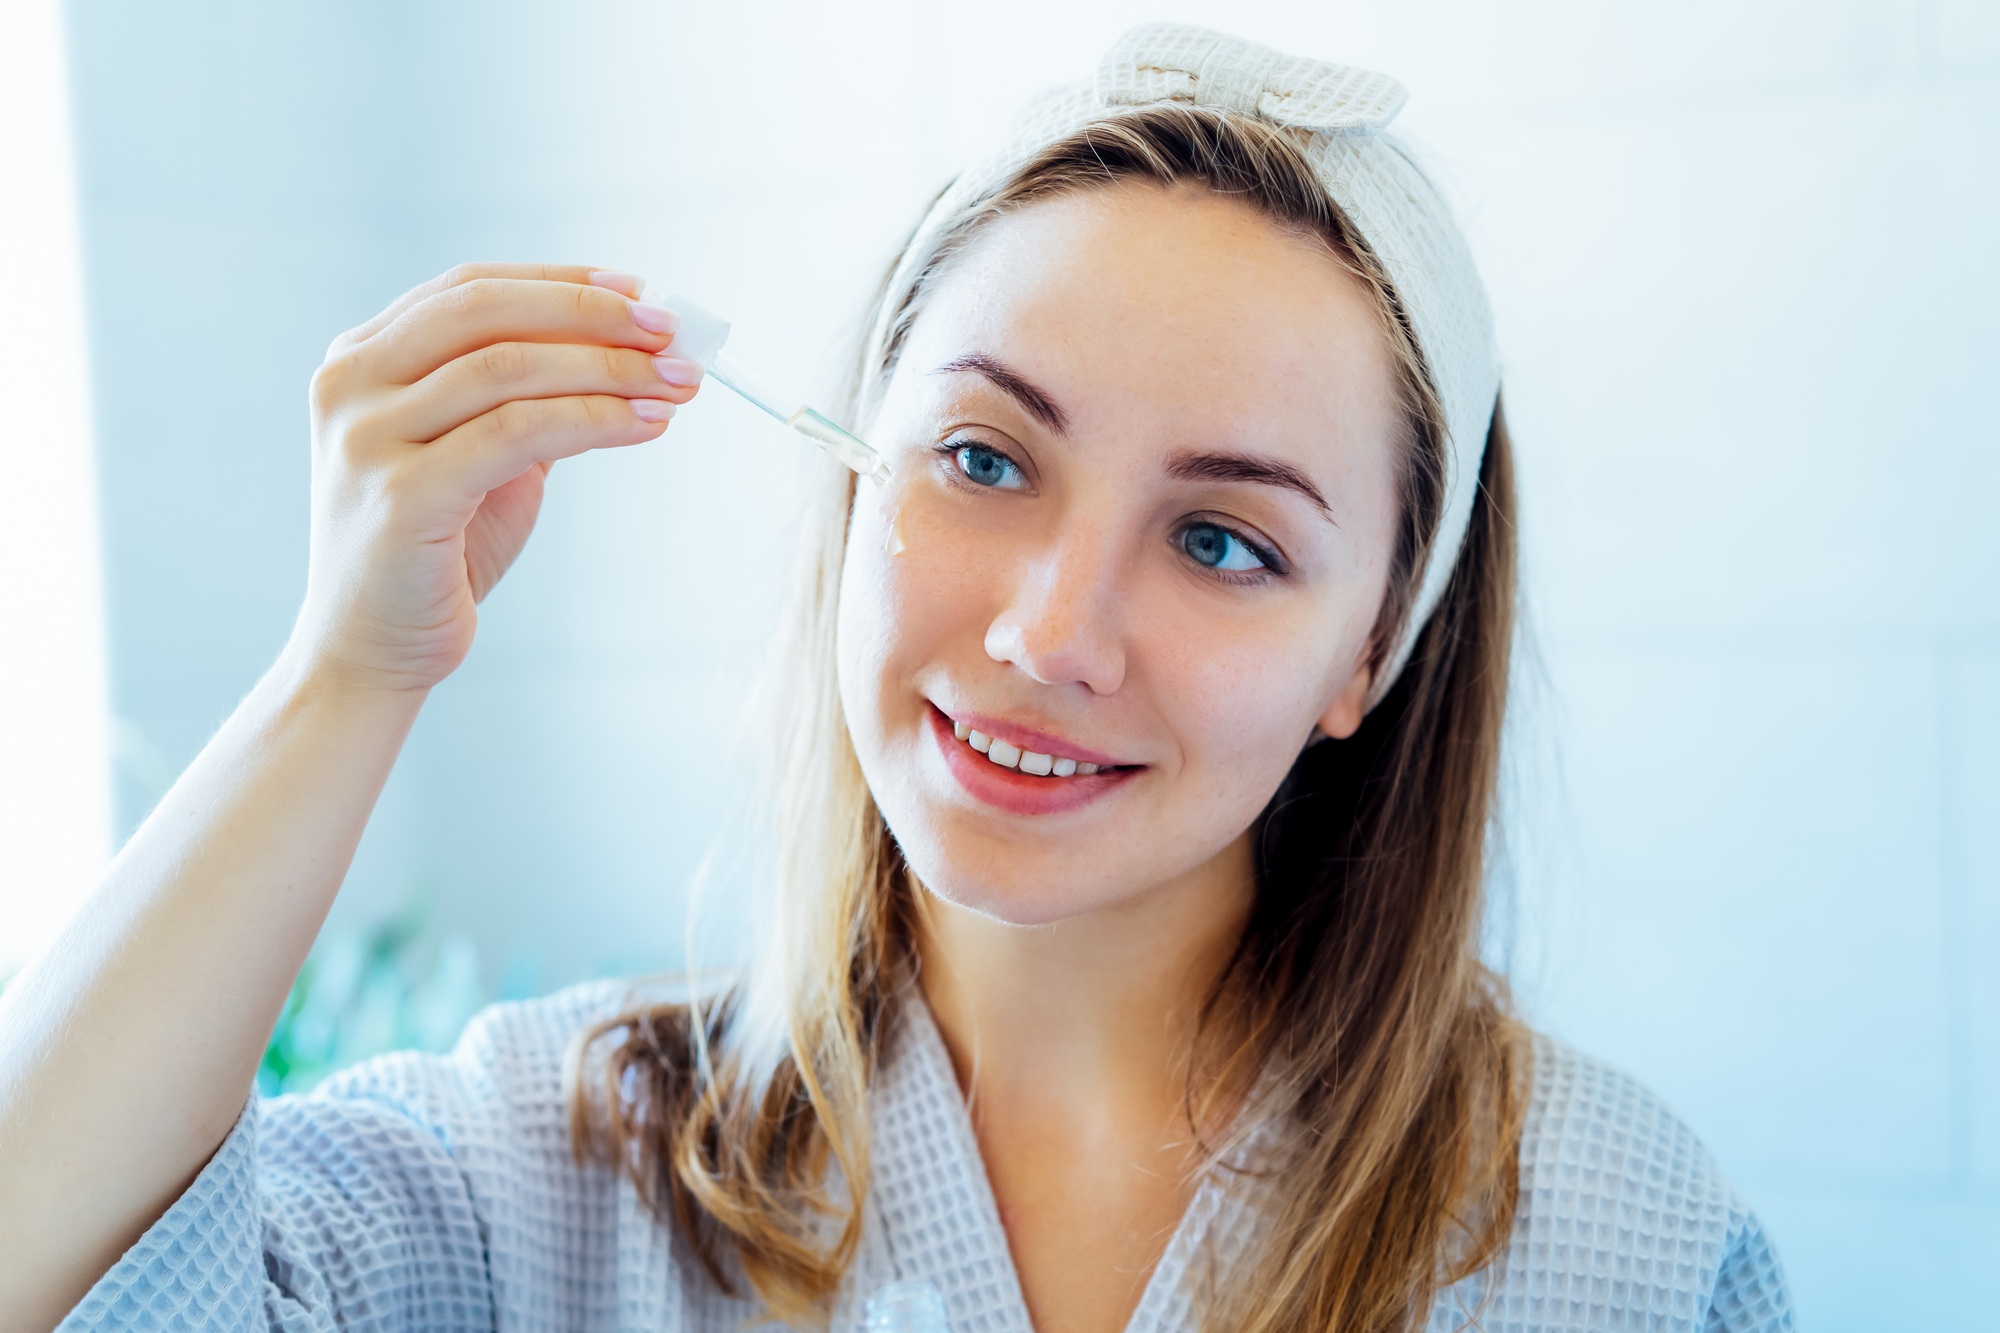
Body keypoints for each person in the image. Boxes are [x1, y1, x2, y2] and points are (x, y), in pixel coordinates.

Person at [0, 23, 1795, 1333]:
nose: (1047, 635)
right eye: (987, 462)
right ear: (856, 483)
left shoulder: (1620, 1246)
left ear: (1373, 654)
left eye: (1225, 542)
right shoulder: (539, 1173)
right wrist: (345, 670)